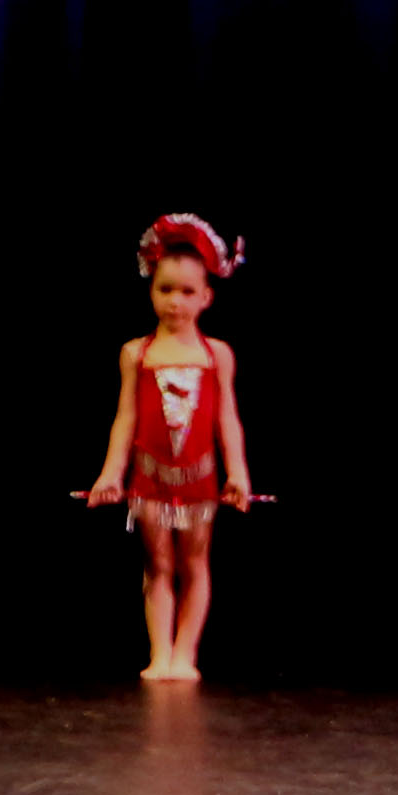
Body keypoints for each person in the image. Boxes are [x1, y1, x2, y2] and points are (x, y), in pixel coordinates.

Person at [80, 215, 256, 682]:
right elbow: (125, 418)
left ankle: (185, 655)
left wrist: (238, 472)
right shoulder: (136, 353)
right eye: (165, 290)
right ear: (151, 291)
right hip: (150, 477)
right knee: (158, 564)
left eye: (186, 292)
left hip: (200, 477)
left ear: (206, 297)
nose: (175, 301)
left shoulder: (217, 354)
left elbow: (227, 419)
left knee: (195, 563)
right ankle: (160, 654)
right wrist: (110, 473)